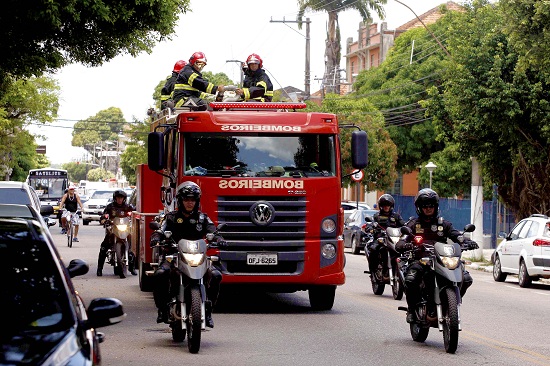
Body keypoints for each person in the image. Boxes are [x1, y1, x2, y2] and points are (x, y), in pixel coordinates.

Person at [396, 188, 478, 323]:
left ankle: (451, 304)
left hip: (442, 260)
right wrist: (405, 245)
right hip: (421, 260)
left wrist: (467, 241)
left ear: (436, 206)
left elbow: (456, 235)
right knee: (411, 279)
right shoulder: (413, 224)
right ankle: (412, 309)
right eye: (425, 206)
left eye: (431, 206)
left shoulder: (443, 224)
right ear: (419, 208)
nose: (428, 209)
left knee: (467, 278)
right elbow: (401, 241)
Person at [150, 181, 224, 328]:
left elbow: (212, 231)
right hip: (174, 256)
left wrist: (219, 239)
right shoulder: (171, 217)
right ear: (180, 200)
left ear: (197, 201)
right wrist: (156, 237)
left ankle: (208, 312)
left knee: (216, 275)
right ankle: (162, 309)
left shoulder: (202, 218)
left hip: (198, 256)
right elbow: (160, 230)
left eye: (193, 199)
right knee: (160, 274)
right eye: (186, 199)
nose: (189, 203)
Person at [97, 189, 136, 278]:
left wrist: (133, 215)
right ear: (115, 198)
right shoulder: (110, 207)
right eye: (118, 198)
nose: (119, 199)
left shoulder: (128, 207)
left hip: (124, 229)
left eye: (121, 198)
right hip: (113, 229)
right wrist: (103, 218)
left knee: (132, 247)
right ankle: (99, 269)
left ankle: (132, 268)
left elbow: (134, 213)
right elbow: (104, 215)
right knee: (103, 247)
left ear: (124, 199)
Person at [366, 194, 405, 275]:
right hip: (380, 239)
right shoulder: (377, 216)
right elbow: (370, 224)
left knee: (404, 250)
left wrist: (405, 229)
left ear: (391, 206)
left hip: (393, 239)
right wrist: (370, 229)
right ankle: (373, 270)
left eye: (388, 205)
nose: (386, 207)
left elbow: (403, 225)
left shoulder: (396, 216)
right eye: (384, 205)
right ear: (381, 206)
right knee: (373, 249)